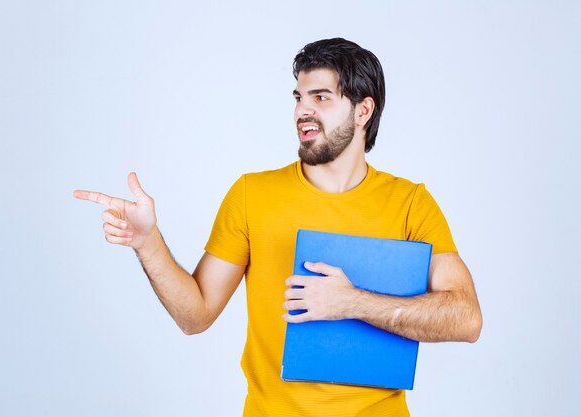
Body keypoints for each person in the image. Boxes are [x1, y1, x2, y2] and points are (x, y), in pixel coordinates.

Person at [74, 38, 482, 417]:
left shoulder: (410, 203)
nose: (304, 110)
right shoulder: (253, 194)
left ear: (363, 111)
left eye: (321, 97)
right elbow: (194, 316)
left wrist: (352, 303)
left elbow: (466, 318)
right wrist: (148, 242)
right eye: (299, 98)